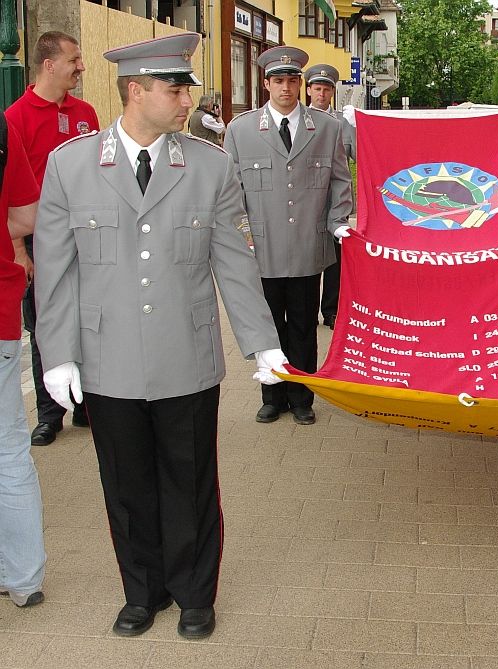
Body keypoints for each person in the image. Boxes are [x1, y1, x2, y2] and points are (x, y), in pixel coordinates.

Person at [34, 33, 287, 640]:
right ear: (135, 90)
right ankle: (141, 591)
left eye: (184, 89)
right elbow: (57, 268)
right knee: (125, 484)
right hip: (107, 357)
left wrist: (263, 343)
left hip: (185, 353)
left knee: (190, 477)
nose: (184, 101)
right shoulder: (70, 166)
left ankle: (195, 592)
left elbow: (232, 261)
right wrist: (58, 353)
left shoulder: (209, 164)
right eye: (174, 89)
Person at [223, 47, 353, 425]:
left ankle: (301, 396)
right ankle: (271, 395)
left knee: (301, 324)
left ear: (301, 83)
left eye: (292, 80)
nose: (286, 88)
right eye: (278, 81)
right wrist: (239, 238)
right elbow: (230, 192)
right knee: (268, 324)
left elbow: (341, 181)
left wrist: (337, 222)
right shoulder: (241, 130)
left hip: (307, 245)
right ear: (265, 84)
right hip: (260, 247)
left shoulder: (326, 128)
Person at [6, 30, 100, 447]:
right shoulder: (16, 118)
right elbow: (12, 199)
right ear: (49, 65)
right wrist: (19, 251)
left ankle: (87, 404)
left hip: (88, 238)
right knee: (44, 324)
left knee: (90, 318)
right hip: (43, 242)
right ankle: (49, 413)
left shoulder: (86, 113)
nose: (81, 67)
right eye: (74, 60)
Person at [0, 112, 45, 609]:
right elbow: (25, 217)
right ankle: (23, 576)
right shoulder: (3, 126)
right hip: (0, 309)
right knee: (8, 447)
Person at [305, 63, 353, 330]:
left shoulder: (342, 122)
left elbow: (357, 154)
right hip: (309, 201)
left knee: (335, 261)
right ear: (309, 90)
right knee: (310, 259)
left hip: (334, 201)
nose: (322, 94)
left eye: (327, 90)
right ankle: (307, 310)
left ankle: (332, 310)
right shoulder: (299, 119)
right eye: (317, 89)